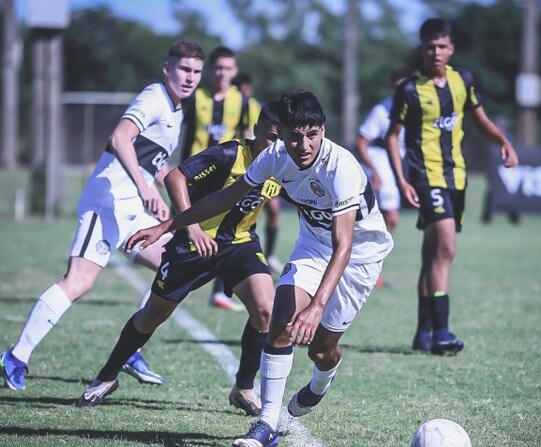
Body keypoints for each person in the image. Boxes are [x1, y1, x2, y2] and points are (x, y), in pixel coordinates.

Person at [124, 89, 394, 447]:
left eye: (313, 134)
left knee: (321, 350)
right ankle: (266, 425)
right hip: (313, 246)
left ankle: (319, 383)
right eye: (295, 136)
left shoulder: (340, 167)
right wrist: (165, 226)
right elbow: (224, 197)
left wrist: (315, 308)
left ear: (323, 131)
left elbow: (344, 244)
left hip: (359, 255)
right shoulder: (274, 158)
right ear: (280, 132)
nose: (304, 144)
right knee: (280, 319)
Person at [0, 41, 205, 390]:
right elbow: (121, 138)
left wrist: (159, 188)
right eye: (184, 69)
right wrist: (145, 190)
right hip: (107, 201)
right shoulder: (155, 96)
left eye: (196, 72)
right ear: (167, 68)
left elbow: (149, 158)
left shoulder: (177, 110)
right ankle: (16, 356)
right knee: (78, 282)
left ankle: (129, 350)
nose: (190, 77)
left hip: (133, 209)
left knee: (178, 263)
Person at [76, 102, 281, 414]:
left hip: (240, 244)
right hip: (193, 246)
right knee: (152, 316)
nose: (276, 146)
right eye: (271, 137)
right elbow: (175, 177)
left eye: (283, 140)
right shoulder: (229, 154)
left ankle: (243, 387)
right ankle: (106, 377)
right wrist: (194, 228)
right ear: (256, 131)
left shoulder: (284, 163)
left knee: (265, 310)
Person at [384, 18, 519, 355]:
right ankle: (442, 332)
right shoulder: (410, 90)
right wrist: (402, 180)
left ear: (451, 49)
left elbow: (481, 119)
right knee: (447, 248)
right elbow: (392, 136)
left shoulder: (463, 81)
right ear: (422, 50)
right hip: (426, 176)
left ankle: (423, 332)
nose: (436, 52)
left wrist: (503, 141)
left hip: (456, 177)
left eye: (442, 46)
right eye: (430, 47)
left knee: (433, 255)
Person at [181, 46, 263, 310]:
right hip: (194, 179)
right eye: (218, 67)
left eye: (228, 68)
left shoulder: (243, 102)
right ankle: (170, 287)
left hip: (227, 180)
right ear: (210, 70)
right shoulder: (194, 97)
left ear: (235, 71)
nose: (222, 73)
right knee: (186, 241)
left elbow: (252, 135)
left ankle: (220, 289)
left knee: (230, 231)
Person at [355, 68, 410, 287]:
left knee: (390, 221)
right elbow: (362, 142)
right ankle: (368, 269)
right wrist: (373, 171)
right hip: (379, 163)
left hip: (395, 167)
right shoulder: (381, 110)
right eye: (397, 87)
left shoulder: (415, 109)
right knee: (388, 217)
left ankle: (372, 267)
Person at [233, 71, 285, 276]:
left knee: (273, 208)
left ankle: (269, 254)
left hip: (265, 164)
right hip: (242, 161)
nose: (243, 94)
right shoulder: (224, 104)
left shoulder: (255, 107)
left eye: (245, 90)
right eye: (239, 91)